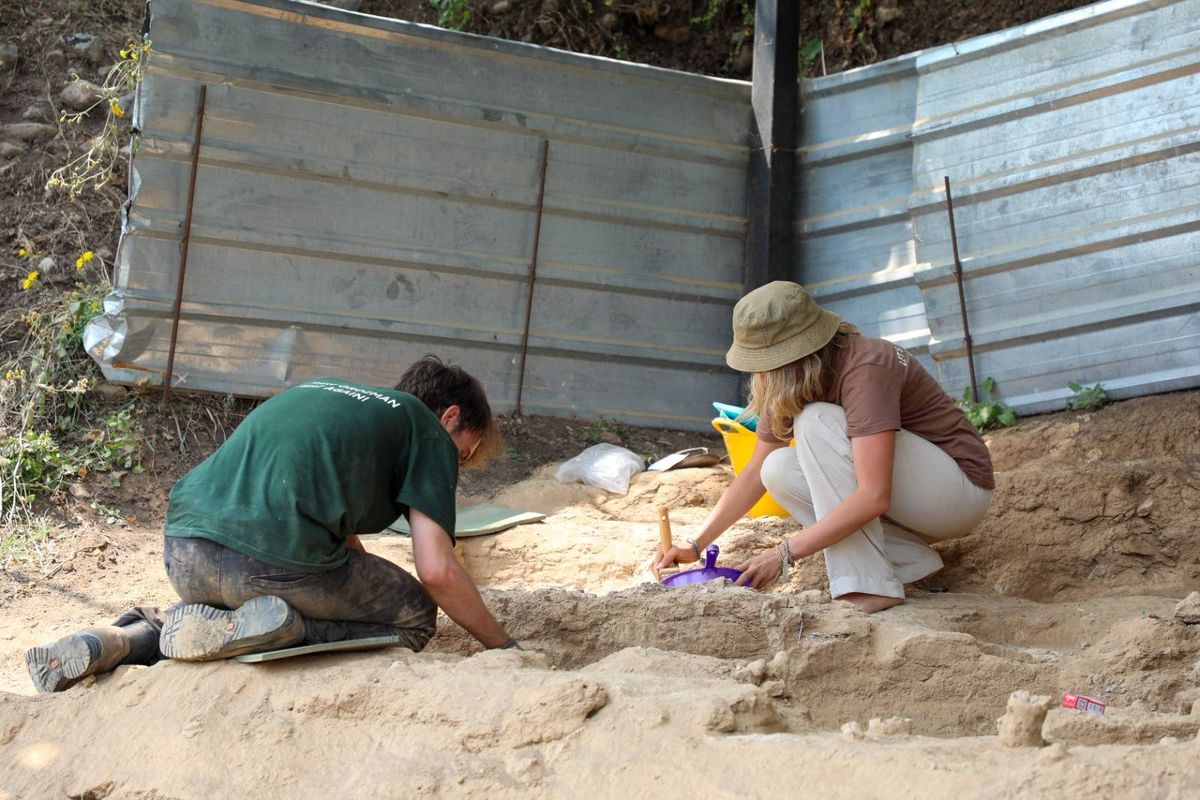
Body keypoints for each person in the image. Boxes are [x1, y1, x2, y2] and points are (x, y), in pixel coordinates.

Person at [26, 356, 517, 694]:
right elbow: (436, 572)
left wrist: (351, 583)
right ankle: (283, 629)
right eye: (466, 452)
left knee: (213, 610)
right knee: (414, 612)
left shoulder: (331, 397)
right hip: (271, 561)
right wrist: (503, 646)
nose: (459, 464)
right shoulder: (428, 432)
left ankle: (118, 640)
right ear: (450, 417)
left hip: (184, 550)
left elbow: (334, 521)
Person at [653, 281, 994, 612]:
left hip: (957, 492)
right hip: (912, 498)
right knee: (777, 468)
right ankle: (907, 559)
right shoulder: (788, 377)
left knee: (815, 420)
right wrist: (694, 545)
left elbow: (875, 495)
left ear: (792, 353)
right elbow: (755, 471)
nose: (759, 372)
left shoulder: (866, 365)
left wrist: (784, 554)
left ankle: (867, 585)